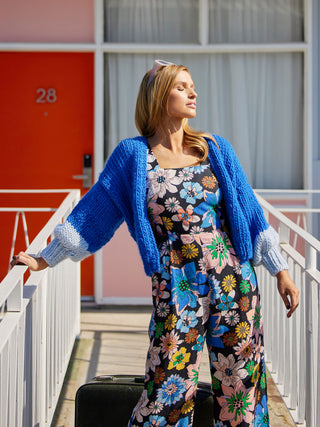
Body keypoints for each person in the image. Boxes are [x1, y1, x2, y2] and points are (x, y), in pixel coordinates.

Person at [11, 59, 299, 427]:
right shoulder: (133, 157)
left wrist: (281, 271)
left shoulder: (215, 149)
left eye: (191, 86)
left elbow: (249, 209)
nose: (193, 93)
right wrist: (44, 259)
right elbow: (94, 212)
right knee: (167, 387)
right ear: (160, 97)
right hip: (176, 287)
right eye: (182, 87)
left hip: (235, 281)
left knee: (241, 389)